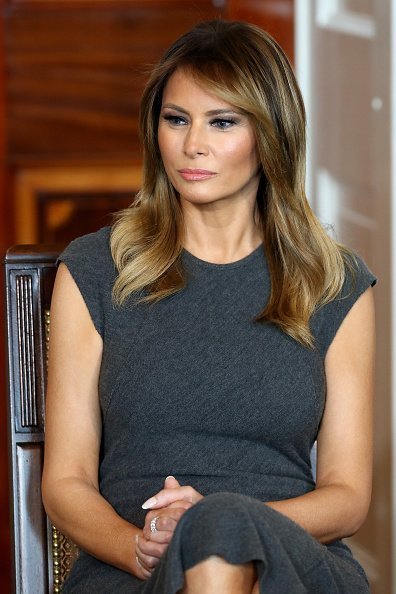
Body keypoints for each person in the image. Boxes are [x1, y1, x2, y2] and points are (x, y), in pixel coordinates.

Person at [42, 19, 376, 594]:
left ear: (270, 135)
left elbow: (347, 498)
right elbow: (65, 481)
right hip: (134, 570)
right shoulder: (96, 269)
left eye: (222, 122)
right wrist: (138, 548)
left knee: (222, 527)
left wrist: (221, 524)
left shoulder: (333, 281)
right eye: (177, 119)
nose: (192, 143)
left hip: (291, 566)